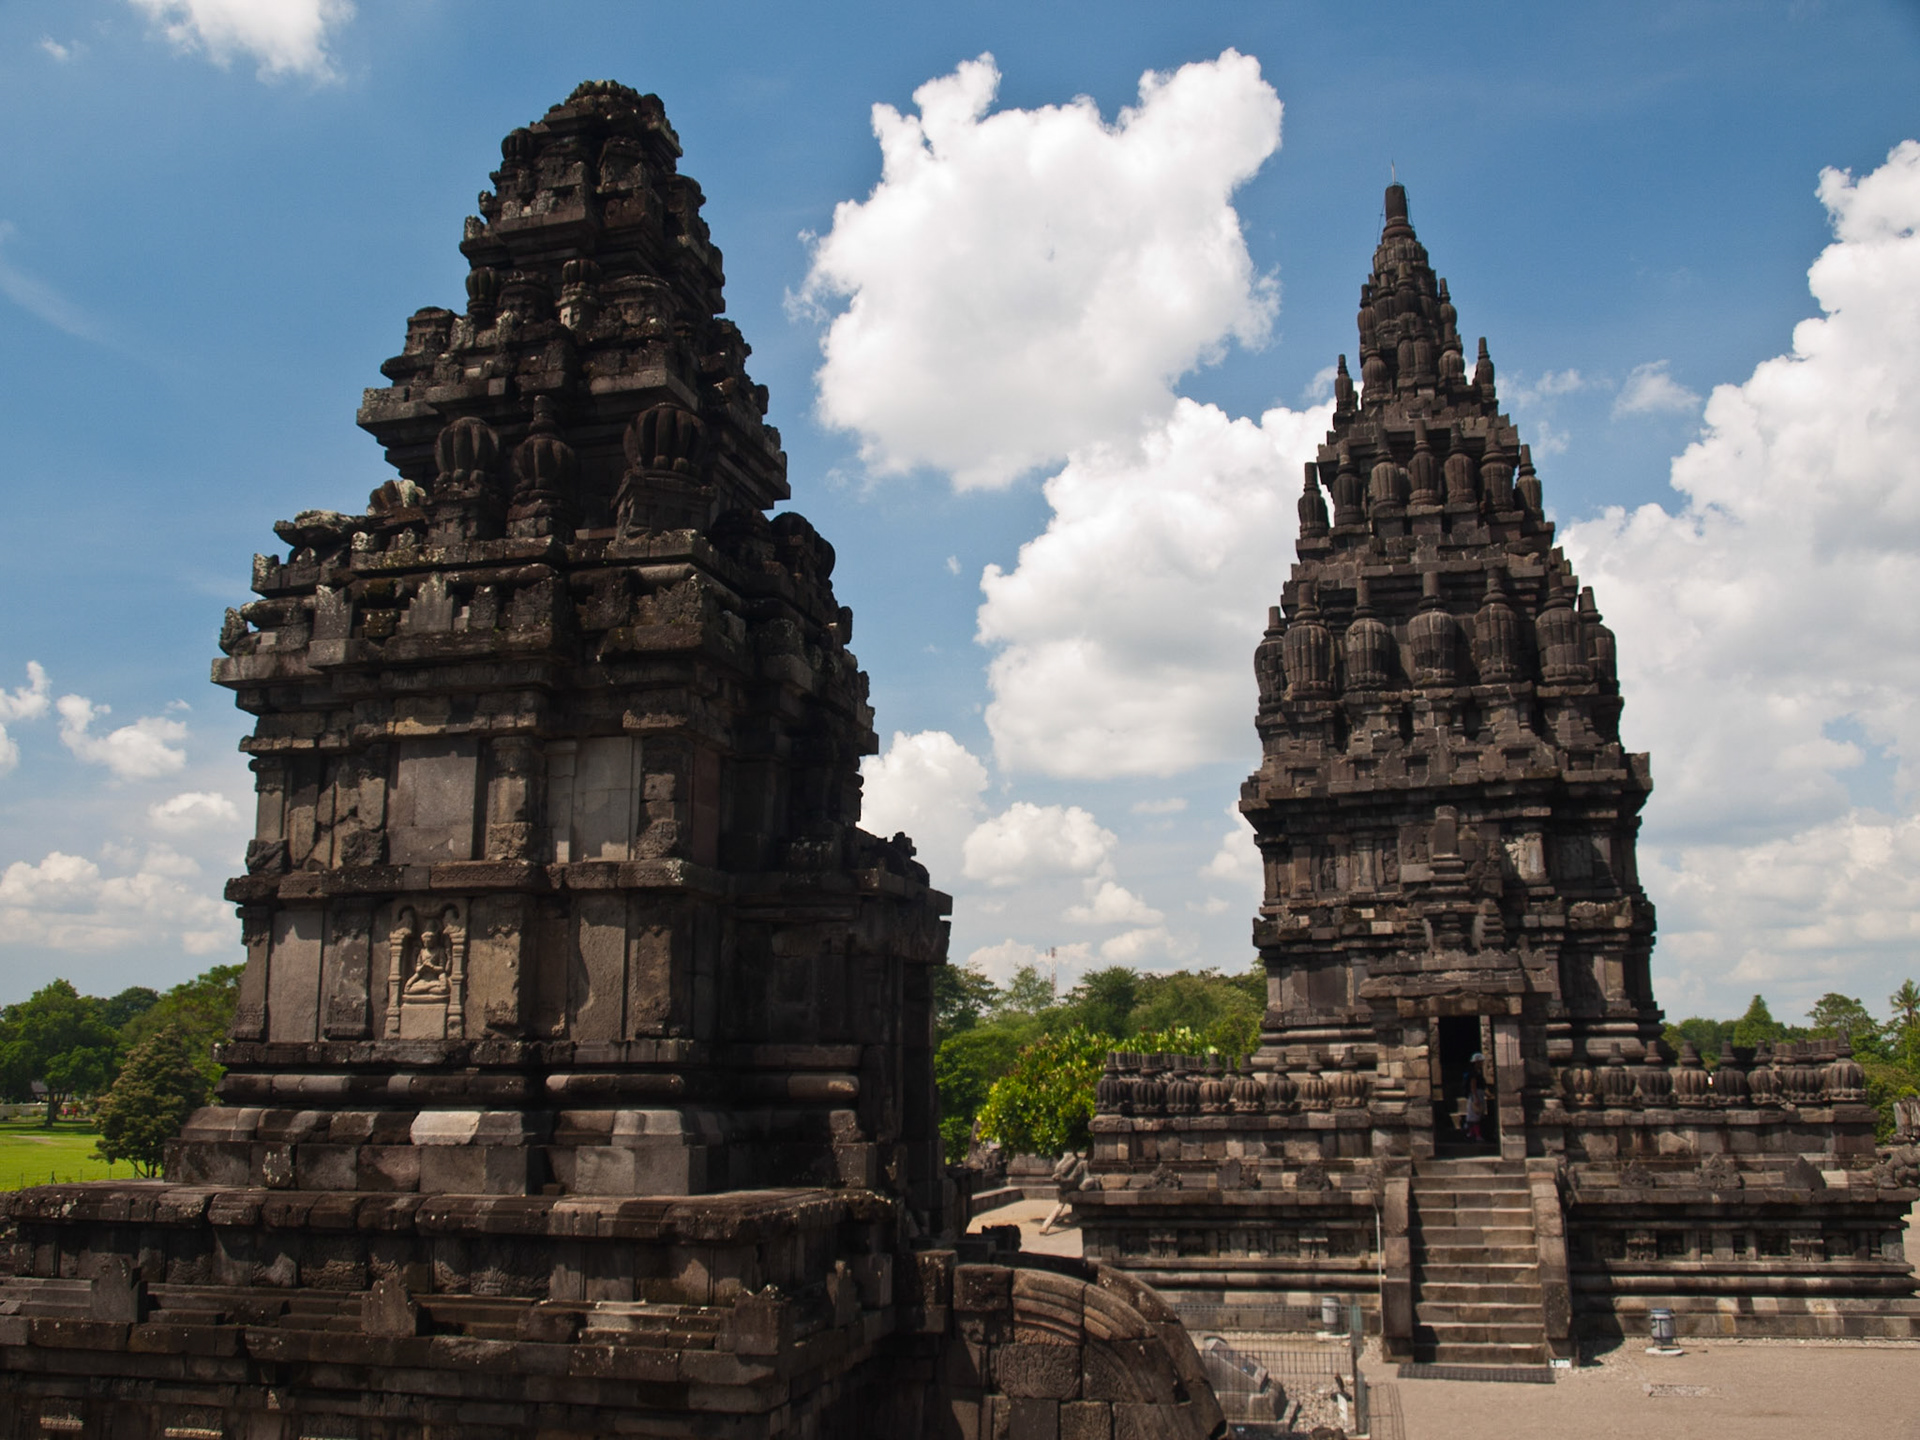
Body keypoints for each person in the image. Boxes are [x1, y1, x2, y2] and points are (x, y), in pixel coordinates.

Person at [1462, 1052, 1488, 1143]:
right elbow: (1473, 1085)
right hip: (1475, 1095)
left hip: (1477, 1094)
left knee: (1475, 1116)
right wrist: (1476, 1098)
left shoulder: (1477, 1071)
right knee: (1475, 1116)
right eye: (1481, 1062)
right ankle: (1475, 1134)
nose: (1482, 1063)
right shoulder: (1473, 1073)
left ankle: (1472, 1133)